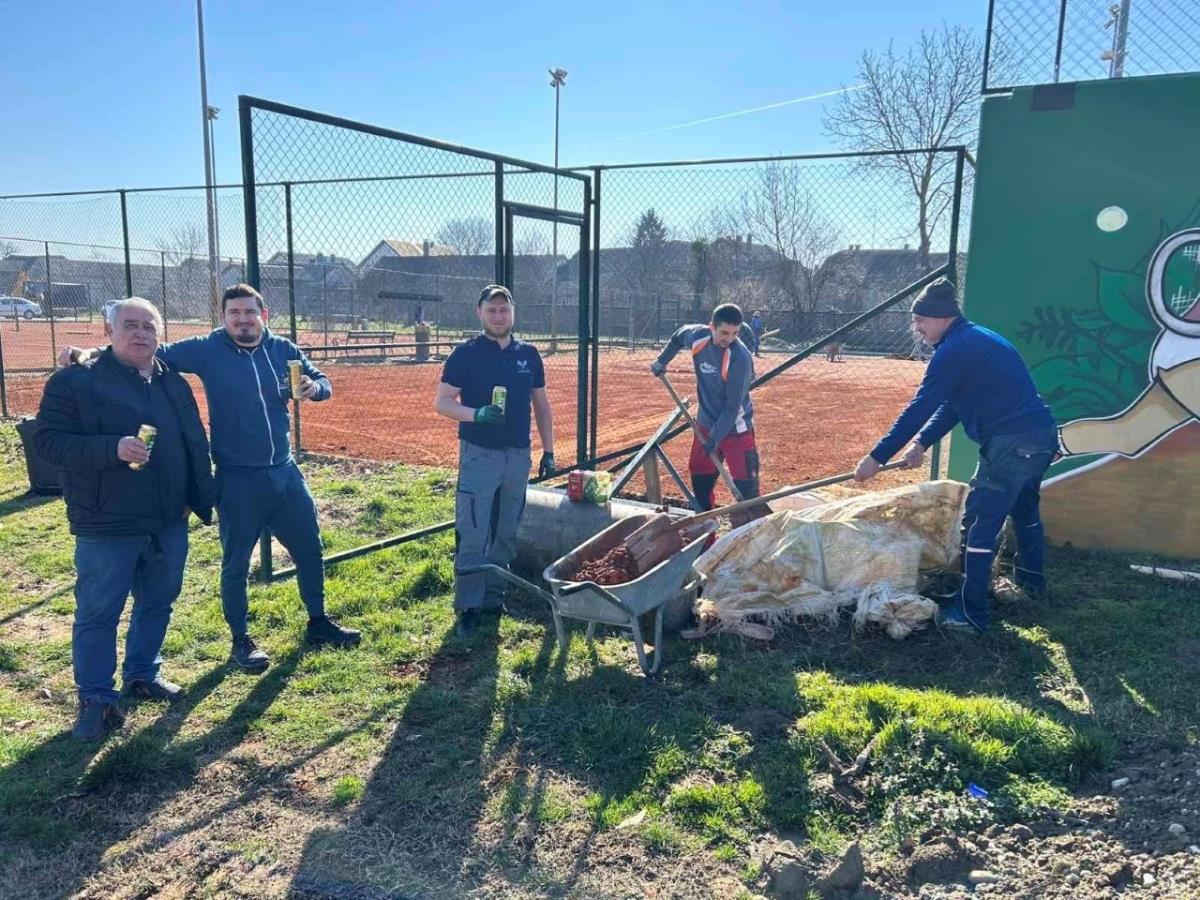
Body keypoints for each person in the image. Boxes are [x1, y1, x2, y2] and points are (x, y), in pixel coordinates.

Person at [60, 284, 360, 672]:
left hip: (284, 472)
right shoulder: (207, 348)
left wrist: (315, 388)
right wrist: (89, 353)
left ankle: (318, 622)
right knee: (236, 562)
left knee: (310, 549)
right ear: (224, 318)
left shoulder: (283, 349)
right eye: (234, 313)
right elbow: (150, 350)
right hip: (237, 478)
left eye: (249, 312)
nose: (242, 319)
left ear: (263, 315)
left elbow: (323, 382)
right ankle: (241, 640)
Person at [35, 298, 216, 741]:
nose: (140, 334)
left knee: (158, 601)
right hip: (107, 523)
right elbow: (49, 443)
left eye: (148, 327)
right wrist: (110, 449)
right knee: (99, 611)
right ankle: (96, 699)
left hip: (168, 519)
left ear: (159, 334)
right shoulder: (76, 381)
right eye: (130, 326)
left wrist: (194, 497)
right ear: (109, 331)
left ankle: (142, 673)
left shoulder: (173, 381)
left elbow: (194, 442)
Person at [853, 278, 1057, 634]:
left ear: (942, 317)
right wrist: (921, 444)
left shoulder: (955, 349)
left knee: (978, 524)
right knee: (1025, 511)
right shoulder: (973, 339)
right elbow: (952, 405)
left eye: (921, 320)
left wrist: (877, 457)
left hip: (1010, 443)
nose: (915, 328)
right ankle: (1031, 583)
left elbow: (921, 406)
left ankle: (970, 613)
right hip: (1038, 437)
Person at [435, 285, 555, 639]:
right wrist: (476, 414)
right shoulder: (466, 354)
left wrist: (548, 451)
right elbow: (443, 402)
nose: (499, 316)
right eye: (492, 310)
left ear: (513, 313)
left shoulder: (529, 355)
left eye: (504, 310)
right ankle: (468, 607)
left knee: (507, 529)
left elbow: (542, 406)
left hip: (518, 455)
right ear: (480, 313)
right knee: (473, 529)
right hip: (479, 455)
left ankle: (492, 598)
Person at [650, 303, 762, 520]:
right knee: (701, 482)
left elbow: (731, 408)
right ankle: (706, 539)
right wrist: (661, 361)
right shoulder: (698, 337)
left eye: (735, 333)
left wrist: (714, 439)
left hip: (737, 429)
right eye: (723, 332)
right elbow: (677, 337)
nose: (728, 338)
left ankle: (748, 539)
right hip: (706, 424)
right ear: (712, 326)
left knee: (748, 493)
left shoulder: (740, 358)